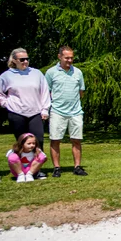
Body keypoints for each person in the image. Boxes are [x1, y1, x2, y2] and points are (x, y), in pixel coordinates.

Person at [0, 48, 51, 179]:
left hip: (35, 112)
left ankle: (36, 170)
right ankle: (21, 171)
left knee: (38, 141)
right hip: (17, 112)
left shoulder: (36, 73)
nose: (25, 61)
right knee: (22, 144)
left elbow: (44, 92)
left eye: (27, 59)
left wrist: (45, 109)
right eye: (22, 59)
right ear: (14, 60)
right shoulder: (6, 76)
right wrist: (6, 103)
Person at [45, 46, 87, 177]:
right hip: (57, 111)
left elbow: (81, 92)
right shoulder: (51, 73)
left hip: (75, 112)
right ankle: (57, 168)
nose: (69, 60)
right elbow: (46, 92)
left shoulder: (78, 72)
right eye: (66, 57)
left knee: (76, 140)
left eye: (71, 58)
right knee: (55, 140)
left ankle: (77, 167)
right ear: (59, 57)